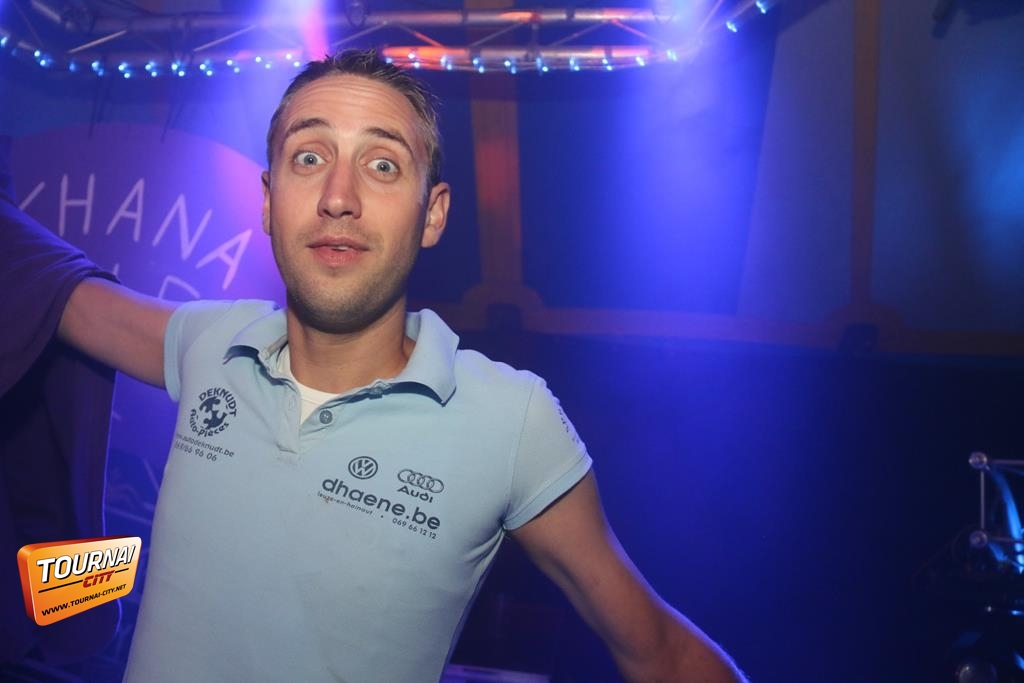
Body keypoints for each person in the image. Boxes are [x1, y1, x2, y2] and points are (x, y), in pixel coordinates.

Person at [52, 49, 747, 682]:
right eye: (308, 157)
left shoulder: (510, 421)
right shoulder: (212, 341)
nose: (339, 196)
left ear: (433, 214)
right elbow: (59, 292)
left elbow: (658, 650)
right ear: (267, 200)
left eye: (382, 165)